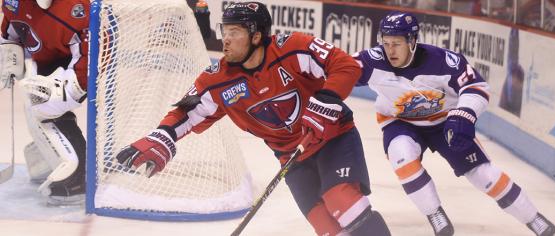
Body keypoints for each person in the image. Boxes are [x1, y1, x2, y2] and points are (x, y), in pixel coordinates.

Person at [114, 2, 391, 235]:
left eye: (235, 32)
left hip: (332, 138)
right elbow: (187, 111)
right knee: (326, 227)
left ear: (256, 36)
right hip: (291, 158)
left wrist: (327, 100)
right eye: (225, 31)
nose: (226, 39)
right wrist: (162, 135)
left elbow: (344, 65)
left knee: (342, 200)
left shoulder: (292, 48)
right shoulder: (217, 81)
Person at [352, 11, 555, 236]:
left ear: (412, 41)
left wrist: (464, 114)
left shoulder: (443, 61)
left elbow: (476, 87)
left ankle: (533, 218)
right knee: (402, 156)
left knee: (483, 174)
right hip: (400, 122)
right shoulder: (372, 60)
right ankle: (434, 213)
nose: (390, 51)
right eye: (386, 43)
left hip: (445, 122)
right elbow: (338, 70)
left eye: (397, 44)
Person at [0, 0, 89, 205]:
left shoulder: (77, 10)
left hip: (83, 62)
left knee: (45, 106)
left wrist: (67, 90)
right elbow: (11, 28)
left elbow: (91, 61)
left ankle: (77, 176)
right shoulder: (15, 3)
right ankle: (47, 159)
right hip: (50, 59)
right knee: (34, 101)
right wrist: (10, 55)